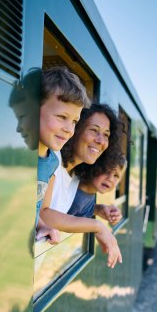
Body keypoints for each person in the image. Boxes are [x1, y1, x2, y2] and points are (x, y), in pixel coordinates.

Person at [40, 103, 126, 268]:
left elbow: (68, 211)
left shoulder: (75, 176)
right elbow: (42, 214)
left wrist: (98, 209)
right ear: (76, 129)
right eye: (94, 130)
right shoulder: (53, 159)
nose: (100, 140)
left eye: (106, 135)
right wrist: (98, 227)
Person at [34, 66, 92, 244]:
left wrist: (41, 224)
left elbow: (38, 209)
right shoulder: (21, 157)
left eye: (74, 121)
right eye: (61, 117)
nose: (69, 129)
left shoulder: (52, 161)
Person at [68, 153, 127, 225]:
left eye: (116, 175)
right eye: (106, 171)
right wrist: (97, 226)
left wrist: (98, 209)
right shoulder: (74, 196)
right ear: (94, 166)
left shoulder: (89, 194)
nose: (110, 179)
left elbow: (84, 208)